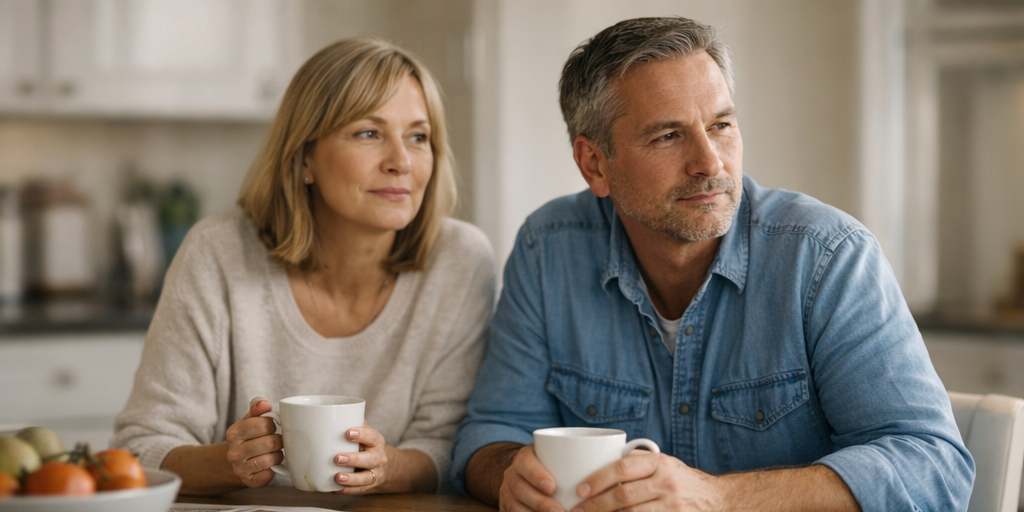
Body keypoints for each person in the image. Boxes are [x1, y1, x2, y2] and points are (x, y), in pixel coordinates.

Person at [452, 16, 973, 512]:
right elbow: (489, 433)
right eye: (668, 136)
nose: (710, 163)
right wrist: (508, 472)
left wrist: (720, 499)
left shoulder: (827, 255)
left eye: (721, 125)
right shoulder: (549, 248)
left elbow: (933, 467)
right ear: (595, 164)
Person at [111, 37, 496, 497]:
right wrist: (231, 461)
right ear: (305, 156)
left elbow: (452, 448)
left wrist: (384, 466)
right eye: (368, 133)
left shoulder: (461, 259)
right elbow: (139, 449)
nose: (401, 162)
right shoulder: (218, 252)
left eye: (418, 136)